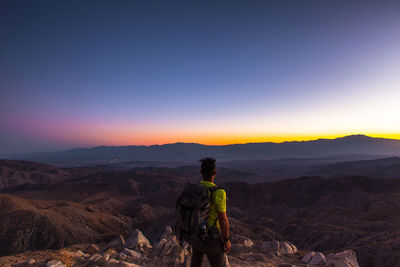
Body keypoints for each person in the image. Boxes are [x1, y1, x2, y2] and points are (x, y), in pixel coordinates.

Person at [190, 157, 231, 267]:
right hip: (212, 239)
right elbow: (223, 220)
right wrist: (226, 240)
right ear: (215, 173)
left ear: (201, 173)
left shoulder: (195, 189)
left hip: (196, 237)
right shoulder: (219, 193)